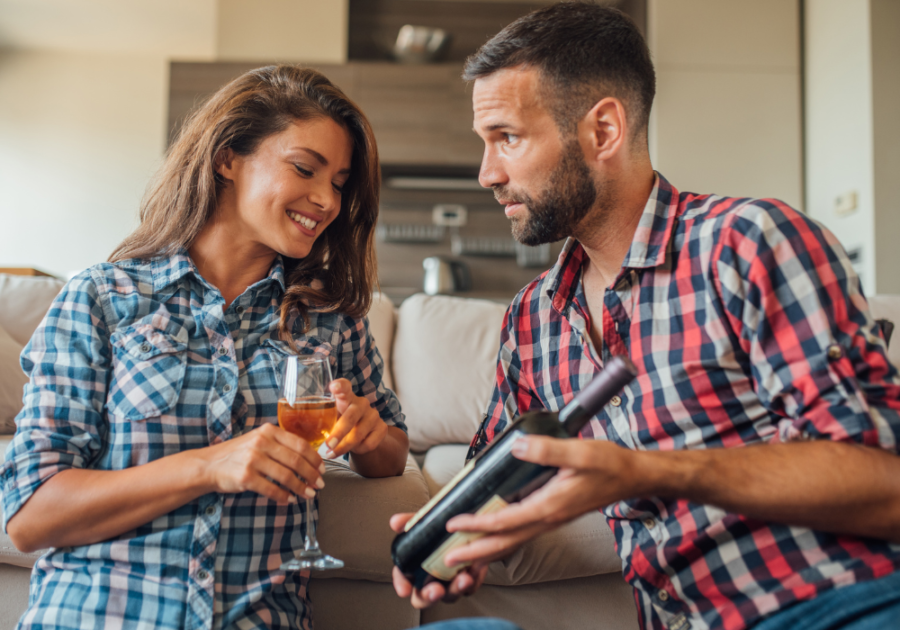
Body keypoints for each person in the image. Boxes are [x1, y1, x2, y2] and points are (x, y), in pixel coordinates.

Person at [391, 3, 900, 630]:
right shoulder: (533, 319)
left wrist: (641, 471)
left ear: (603, 130)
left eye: (508, 138)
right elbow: (499, 476)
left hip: (838, 604)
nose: (487, 174)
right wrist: (461, 539)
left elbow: (885, 484)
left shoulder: (748, 243)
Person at [2, 65, 409, 630]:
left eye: (339, 183)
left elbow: (392, 452)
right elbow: (29, 517)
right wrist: (210, 466)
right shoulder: (102, 298)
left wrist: (369, 435)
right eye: (304, 168)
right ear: (227, 159)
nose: (327, 200)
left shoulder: (329, 317)